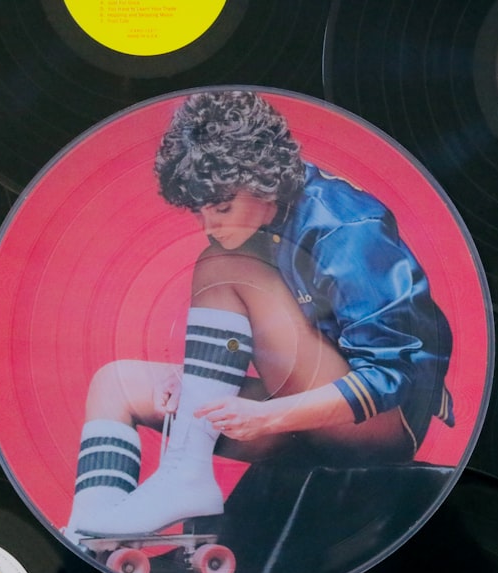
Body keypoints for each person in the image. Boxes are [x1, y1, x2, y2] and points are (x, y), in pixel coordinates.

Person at [65, 90, 453, 539]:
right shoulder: (254, 229)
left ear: (262, 178)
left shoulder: (344, 226)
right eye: (199, 211)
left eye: (221, 207)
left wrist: (268, 418)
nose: (208, 226)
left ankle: (185, 474)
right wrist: (195, 379)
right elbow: (252, 340)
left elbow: (390, 378)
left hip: (379, 425)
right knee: (115, 383)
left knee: (222, 263)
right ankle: (93, 528)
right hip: (302, 414)